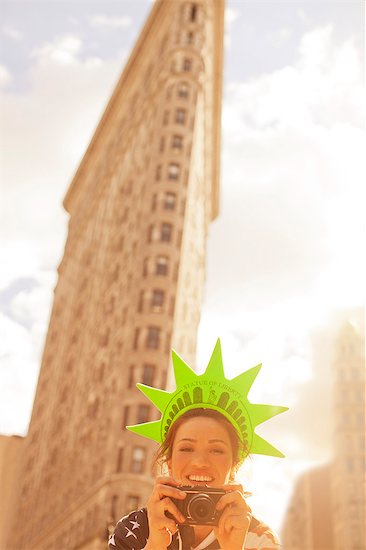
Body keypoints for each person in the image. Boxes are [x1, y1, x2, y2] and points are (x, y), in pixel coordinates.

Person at [108, 339, 287, 549]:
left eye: (216, 450)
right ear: (169, 459)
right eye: (186, 448)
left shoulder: (260, 538)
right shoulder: (134, 530)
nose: (200, 461)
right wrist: (155, 544)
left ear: (234, 465)